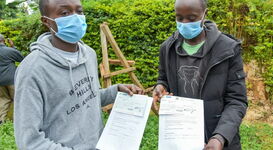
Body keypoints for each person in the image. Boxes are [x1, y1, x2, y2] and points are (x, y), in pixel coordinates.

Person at [13, 0, 143, 149]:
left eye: (79, 11)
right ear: (46, 21)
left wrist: (115, 91)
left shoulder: (89, 54)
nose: (75, 18)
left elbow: (84, 98)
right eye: (65, 13)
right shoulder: (32, 69)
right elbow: (29, 141)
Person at [152, 0, 248, 149]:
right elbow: (163, 77)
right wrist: (160, 86)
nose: (185, 23)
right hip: (180, 137)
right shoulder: (167, 48)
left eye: (191, 18)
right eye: (179, 18)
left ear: (204, 14)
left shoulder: (227, 49)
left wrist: (220, 137)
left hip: (216, 136)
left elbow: (237, 100)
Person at [0, 34, 24, 124]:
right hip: (11, 80)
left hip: (0, 82)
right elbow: (21, 58)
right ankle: (18, 121)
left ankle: (2, 122)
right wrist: (13, 46)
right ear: (3, 41)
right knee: (17, 99)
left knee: (3, 100)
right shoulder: (9, 51)